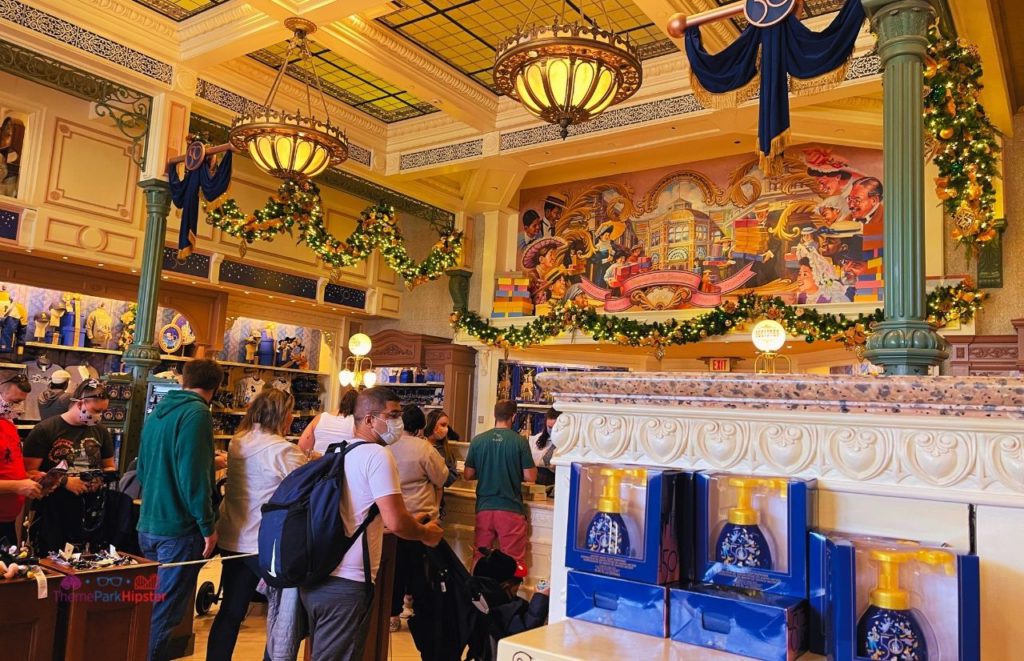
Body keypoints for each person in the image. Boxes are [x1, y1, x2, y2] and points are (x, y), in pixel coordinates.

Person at [300, 386, 443, 661]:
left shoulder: (337, 450)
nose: (397, 422)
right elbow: (397, 522)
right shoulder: (378, 455)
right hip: (349, 579)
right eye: (392, 415)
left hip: (320, 573)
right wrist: (426, 533)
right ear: (368, 419)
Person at [207, 388, 308, 661]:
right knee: (281, 615)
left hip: (233, 535)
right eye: (291, 413)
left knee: (230, 611)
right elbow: (304, 490)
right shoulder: (285, 451)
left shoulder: (237, 442)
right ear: (282, 415)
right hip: (266, 542)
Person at [136, 358, 223, 661]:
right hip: (178, 529)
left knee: (149, 609)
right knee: (165, 613)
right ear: (216, 387)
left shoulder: (157, 412)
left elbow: (142, 469)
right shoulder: (197, 413)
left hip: (148, 524)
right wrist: (207, 525)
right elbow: (194, 477)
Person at [23, 379, 115, 554]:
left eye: (103, 411)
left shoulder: (101, 431)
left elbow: (109, 466)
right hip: (52, 508)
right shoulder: (46, 429)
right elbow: (28, 473)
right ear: (80, 403)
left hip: (89, 508)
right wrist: (64, 481)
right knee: (50, 560)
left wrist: (100, 478)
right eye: (96, 411)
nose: (99, 416)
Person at [387, 405, 449, 638]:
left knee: (395, 570)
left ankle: (392, 615)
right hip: (422, 518)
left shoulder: (386, 446)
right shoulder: (424, 448)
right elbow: (441, 477)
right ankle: (419, 613)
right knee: (421, 572)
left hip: (394, 517)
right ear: (421, 426)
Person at [464, 400, 537, 567]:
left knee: (480, 557)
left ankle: (477, 592)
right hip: (510, 508)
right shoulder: (519, 442)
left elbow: (468, 474)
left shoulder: (478, 441)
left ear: (494, 415)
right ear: (514, 416)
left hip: (484, 508)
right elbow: (530, 476)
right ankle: (507, 593)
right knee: (513, 561)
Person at [0, 369, 39, 543]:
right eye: (14, 402)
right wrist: (17, 486)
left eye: (21, 402)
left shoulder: (8, 424)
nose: (17, 407)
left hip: (7, 521)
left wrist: (29, 477)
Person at [299, 387, 357, 455]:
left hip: (319, 463)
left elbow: (302, 447)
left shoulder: (320, 418)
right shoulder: (356, 423)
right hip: (340, 464)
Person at [529, 409, 561, 487]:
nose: (552, 431)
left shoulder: (566, 444)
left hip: (553, 484)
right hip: (533, 482)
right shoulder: (535, 439)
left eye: (555, 428)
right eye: (549, 427)